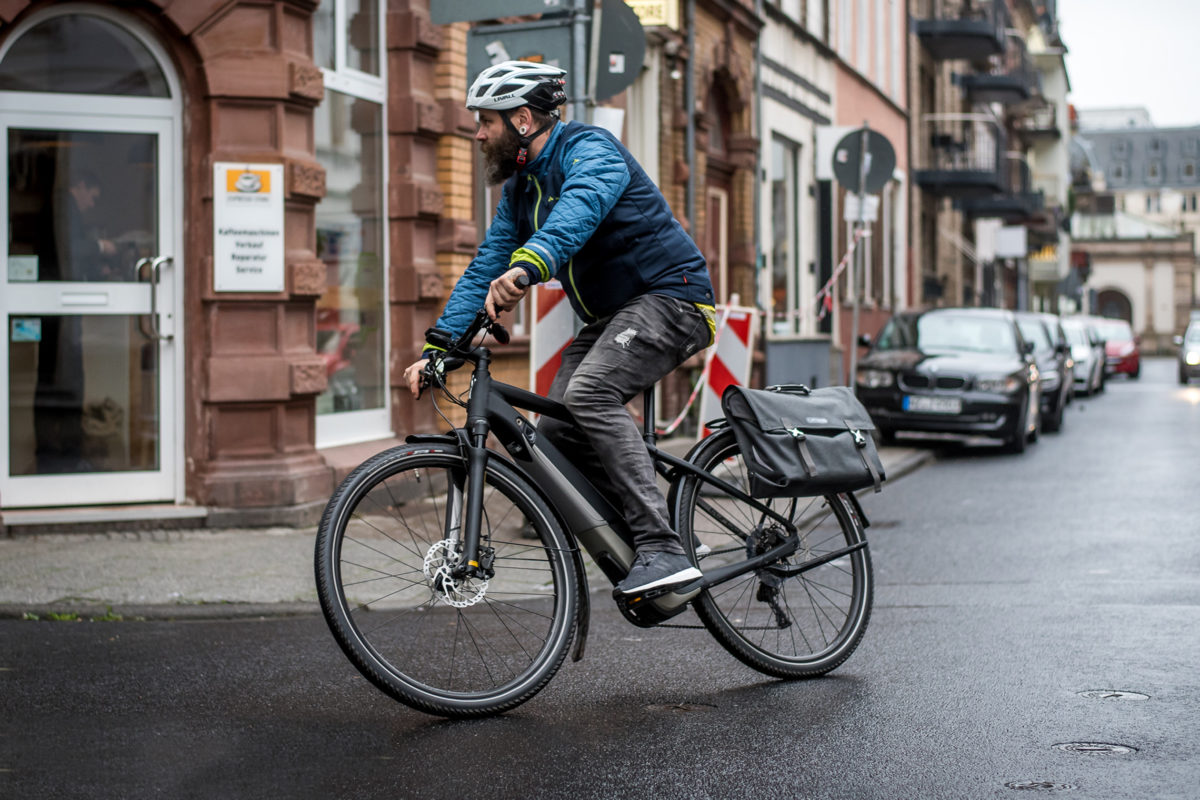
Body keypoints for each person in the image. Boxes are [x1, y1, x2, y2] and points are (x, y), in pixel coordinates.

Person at [404, 60, 717, 596]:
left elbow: (581, 208)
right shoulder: (520, 192)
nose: (478, 133)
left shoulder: (590, 149)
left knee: (591, 391)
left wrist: (530, 266)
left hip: (674, 297)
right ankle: (665, 536)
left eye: (486, 121)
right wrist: (441, 348)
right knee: (557, 434)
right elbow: (485, 264)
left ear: (523, 120)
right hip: (614, 317)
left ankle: (662, 549)